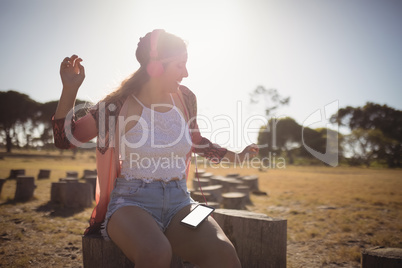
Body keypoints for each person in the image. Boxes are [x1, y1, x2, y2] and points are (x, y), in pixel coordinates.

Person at [53, 29, 258, 268]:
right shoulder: (118, 104)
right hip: (131, 202)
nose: (186, 73)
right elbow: (65, 140)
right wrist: (70, 90)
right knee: (156, 254)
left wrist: (238, 156)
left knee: (224, 254)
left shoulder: (186, 98)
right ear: (157, 65)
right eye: (180, 66)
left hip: (180, 201)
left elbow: (196, 141)